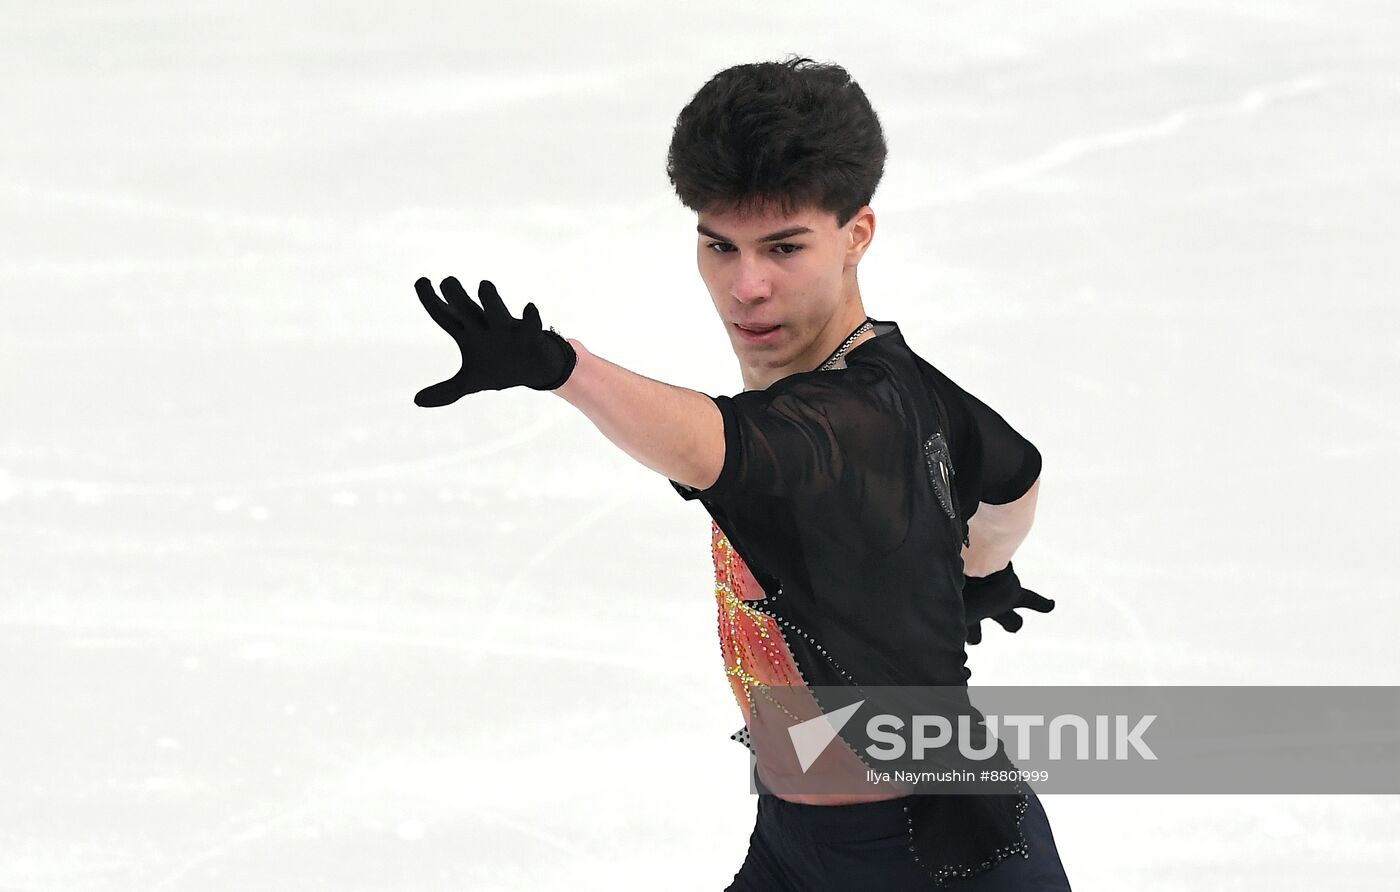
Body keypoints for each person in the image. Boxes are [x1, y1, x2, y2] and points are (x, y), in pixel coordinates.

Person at [412, 55, 1071, 890]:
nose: (745, 286)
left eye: (783, 248)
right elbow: (1014, 475)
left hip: (932, 860)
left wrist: (561, 367)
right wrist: (981, 567)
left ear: (856, 234)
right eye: (718, 245)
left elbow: (714, 444)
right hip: (802, 841)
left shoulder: (850, 421)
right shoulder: (907, 381)